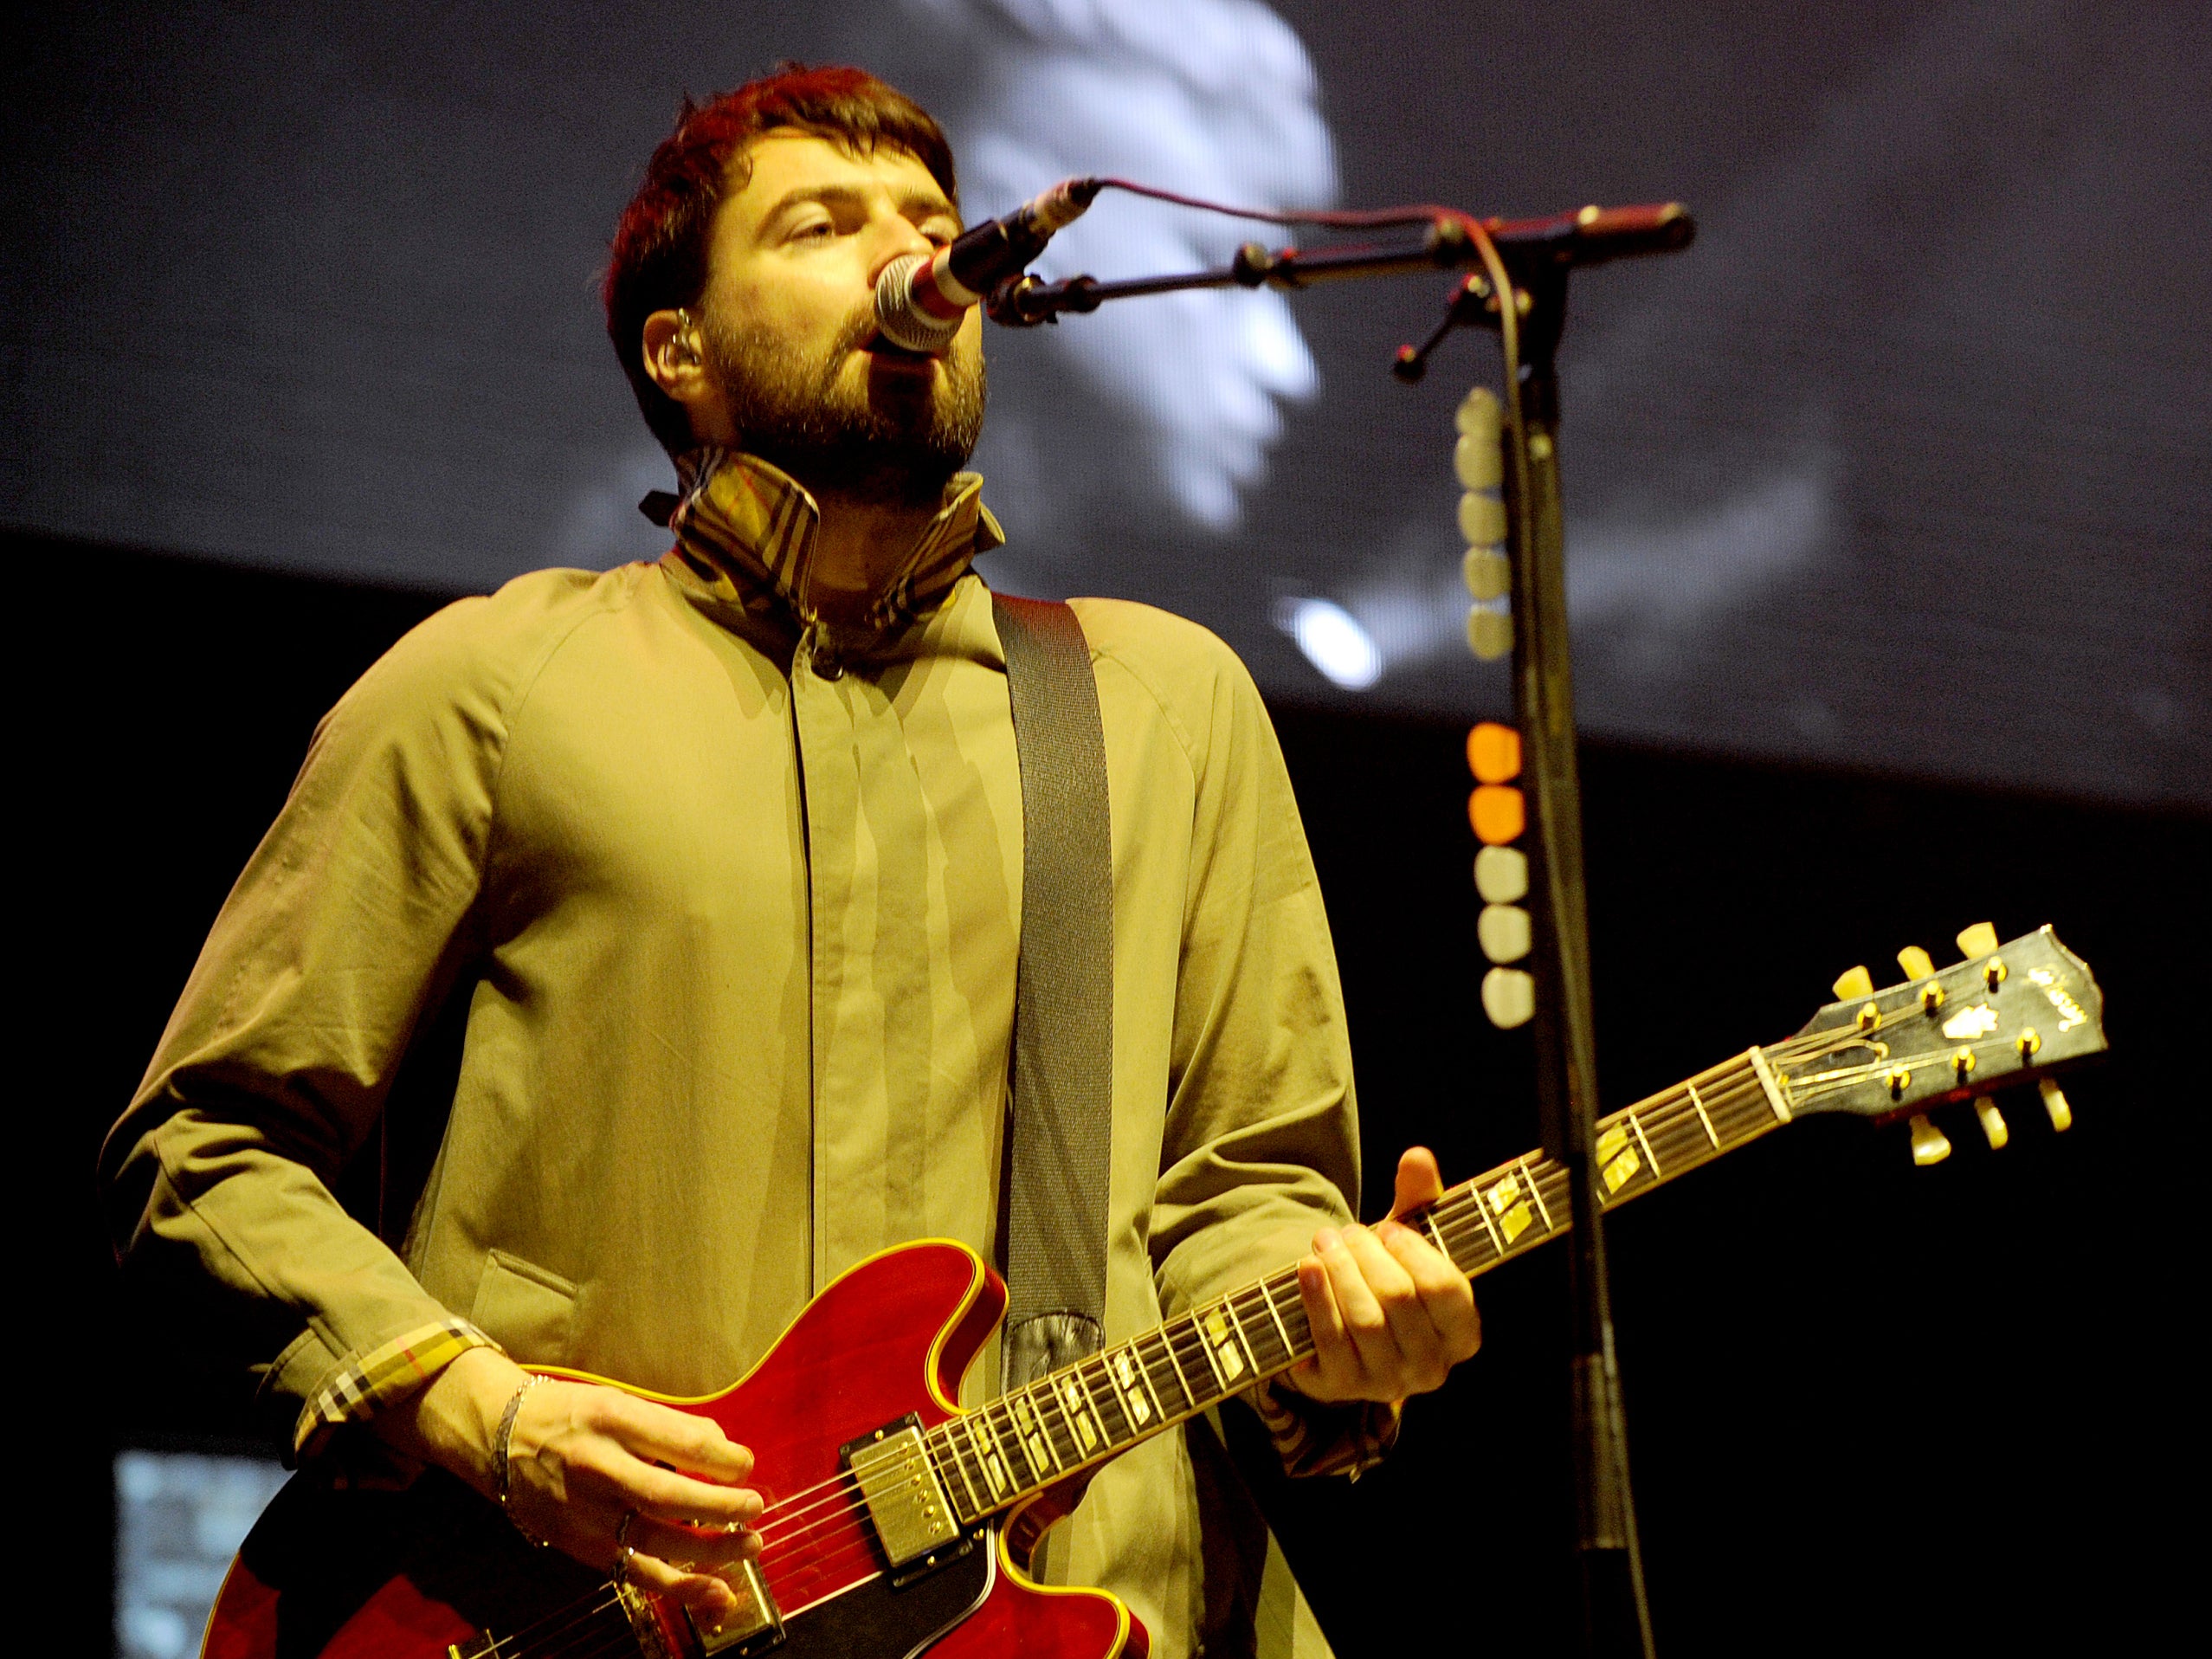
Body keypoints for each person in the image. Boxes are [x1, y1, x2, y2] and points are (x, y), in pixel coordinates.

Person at [99, 65, 1480, 1659]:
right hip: (566, 1613)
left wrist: (1333, 1336)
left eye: (934, 225)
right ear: (677, 350)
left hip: (1111, 1611)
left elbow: (1241, 1195)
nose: (913, 262)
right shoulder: (491, 684)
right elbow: (200, 1152)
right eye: (824, 225)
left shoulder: (1164, 702)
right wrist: (479, 1409)